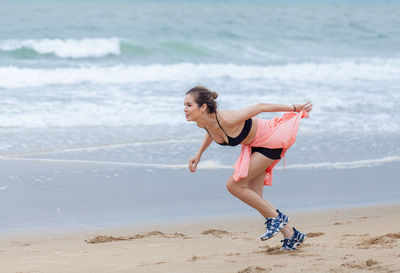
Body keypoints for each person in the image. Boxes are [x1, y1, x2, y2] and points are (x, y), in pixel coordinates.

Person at [184, 86, 313, 251]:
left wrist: (295, 108)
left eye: (189, 105)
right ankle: (291, 235)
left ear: (202, 107)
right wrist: (199, 153)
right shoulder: (203, 123)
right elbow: (212, 131)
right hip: (254, 146)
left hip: (271, 140)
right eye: (185, 105)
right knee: (255, 197)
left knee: (234, 185)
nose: (185, 109)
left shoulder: (228, 118)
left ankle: (278, 219)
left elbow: (261, 107)